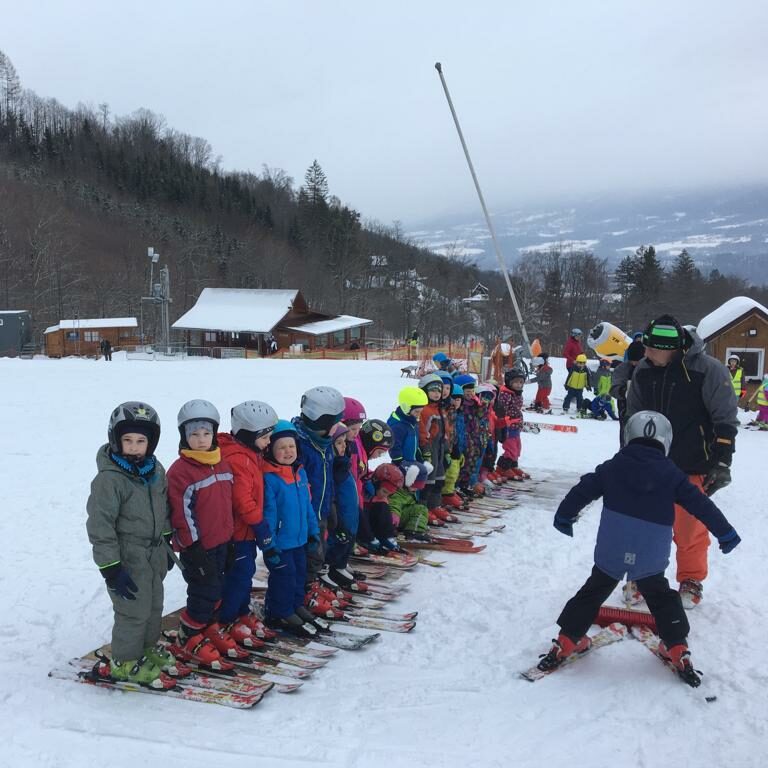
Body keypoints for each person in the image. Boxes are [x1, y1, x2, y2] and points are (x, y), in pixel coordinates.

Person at [537, 411, 740, 680]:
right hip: (650, 551)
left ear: (629, 435)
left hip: (613, 545)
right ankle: (677, 647)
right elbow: (701, 504)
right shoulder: (673, 475)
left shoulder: (614, 466)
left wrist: (565, 517)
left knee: (594, 590)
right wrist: (726, 534)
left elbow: (584, 488)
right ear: (666, 441)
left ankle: (566, 640)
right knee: (661, 597)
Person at [626, 315, 738, 608]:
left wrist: (722, 460)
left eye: (652, 349)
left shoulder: (708, 370)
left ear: (671, 349)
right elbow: (633, 417)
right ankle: (641, 575)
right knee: (644, 522)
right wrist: (628, 455)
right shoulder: (645, 371)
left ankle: (690, 579)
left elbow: (725, 418)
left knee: (689, 529)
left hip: (692, 462)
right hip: (651, 462)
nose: (646, 354)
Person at [86, 402, 175, 688]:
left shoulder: (155, 471)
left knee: (153, 606)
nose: (135, 447)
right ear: (116, 440)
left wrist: (166, 542)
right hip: (127, 555)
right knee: (132, 611)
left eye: (141, 441)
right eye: (128, 440)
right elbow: (100, 526)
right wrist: (111, 566)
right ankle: (124, 661)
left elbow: (162, 508)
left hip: (153, 552)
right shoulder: (109, 480)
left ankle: (146, 650)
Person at [168, 400, 247, 665]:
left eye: (206, 433)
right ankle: (188, 634)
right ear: (184, 436)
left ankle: (208, 628)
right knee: (204, 591)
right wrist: (192, 546)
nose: (201, 440)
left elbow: (226, 507)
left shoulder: (221, 464)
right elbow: (182, 513)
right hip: (198, 548)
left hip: (222, 541)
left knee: (218, 589)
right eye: (194, 434)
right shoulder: (181, 472)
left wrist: (232, 537)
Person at [217, 400, 279, 645]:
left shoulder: (250, 454)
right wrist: (260, 525)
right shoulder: (238, 460)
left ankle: (241, 613)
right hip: (238, 533)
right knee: (239, 577)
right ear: (248, 435)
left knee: (246, 573)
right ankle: (226, 620)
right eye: (265, 438)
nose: (268, 443)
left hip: (246, 533)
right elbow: (242, 501)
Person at [261, 420, 322, 638]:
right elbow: (268, 514)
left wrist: (313, 531)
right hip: (281, 543)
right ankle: (279, 613)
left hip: (300, 540)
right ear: (271, 450)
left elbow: (307, 507)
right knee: (283, 578)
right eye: (281, 447)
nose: (288, 451)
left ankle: (295, 606)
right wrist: (269, 544)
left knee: (298, 575)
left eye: (291, 446)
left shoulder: (300, 473)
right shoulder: (270, 479)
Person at [291, 386, 345, 589]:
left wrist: (330, 503)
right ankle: (305, 588)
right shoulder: (299, 446)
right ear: (322, 422)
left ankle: (312, 583)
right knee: (309, 554)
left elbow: (326, 479)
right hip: (305, 515)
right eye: (335, 422)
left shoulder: (324, 444)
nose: (338, 426)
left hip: (321, 510)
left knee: (320, 551)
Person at [323, 421, 362, 588]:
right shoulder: (331, 468)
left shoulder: (343, 463)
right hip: (339, 515)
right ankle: (331, 568)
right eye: (339, 443)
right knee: (337, 541)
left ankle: (341, 565)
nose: (343, 446)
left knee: (348, 540)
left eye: (345, 442)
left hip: (350, 513)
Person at [417, 373, 448, 517]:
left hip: (440, 447)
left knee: (439, 479)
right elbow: (422, 431)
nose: (437, 394)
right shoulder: (424, 410)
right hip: (429, 448)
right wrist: (425, 449)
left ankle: (435, 505)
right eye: (433, 390)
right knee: (428, 481)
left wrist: (447, 449)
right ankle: (424, 508)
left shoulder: (439, 409)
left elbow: (445, 430)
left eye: (439, 391)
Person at [495, 368, 529, 480]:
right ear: (509, 382)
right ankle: (502, 468)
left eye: (521, 382)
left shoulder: (516, 394)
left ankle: (513, 466)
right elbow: (501, 411)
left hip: (516, 426)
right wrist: (506, 421)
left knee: (517, 448)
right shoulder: (505, 394)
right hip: (508, 426)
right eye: (516, 382)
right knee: (511, 449)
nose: (519, 385)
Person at [610, 339, 645, 445]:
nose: (634, 363)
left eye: (637, 361)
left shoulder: (648, 368)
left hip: (645, 408)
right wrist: (624, 391)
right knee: (627, 437)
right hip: (626, 409)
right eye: (632, 361)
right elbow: (613, 389)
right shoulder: (622, 369)